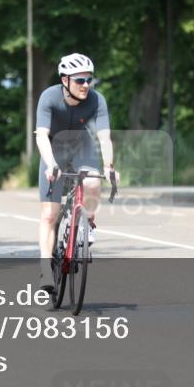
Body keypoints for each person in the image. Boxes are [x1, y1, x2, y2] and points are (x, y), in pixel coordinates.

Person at [34, 53, 117, 294]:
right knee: (49, 214)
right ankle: (46, 270)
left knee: (92, 183)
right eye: (80, 80)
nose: (86, 85)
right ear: (65, 81)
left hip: (82, 145)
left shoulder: (97, 100)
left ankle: (87, 223)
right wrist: (50, 164)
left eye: (89, 79)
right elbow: (41, 135)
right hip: (54, 148)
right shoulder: (49, 97)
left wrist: (110, 168)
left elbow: (104, 138)